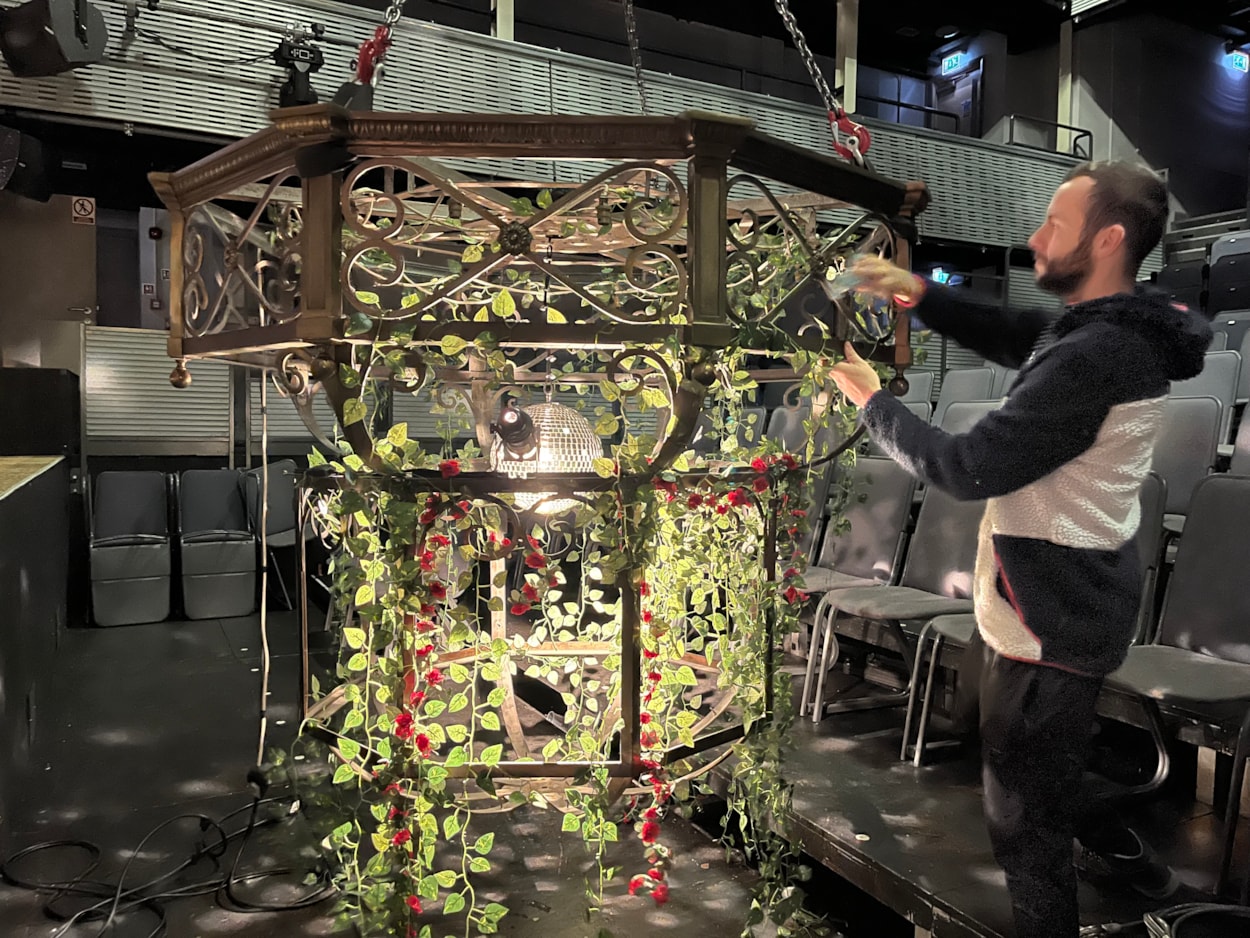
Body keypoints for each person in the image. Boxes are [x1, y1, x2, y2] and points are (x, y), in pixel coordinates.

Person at [828, 161, 1212, 938]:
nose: (1034, 238)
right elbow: (1019, 336)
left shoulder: (1101, 353)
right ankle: (1147, 874)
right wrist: (921, 295)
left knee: (1024, 821)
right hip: (1058, 596)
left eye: (1053, 227)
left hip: (1053, 612)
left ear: (1107, 240)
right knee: (1047, 777)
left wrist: (872, 402)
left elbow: (965, 468)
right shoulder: (1110, 329)